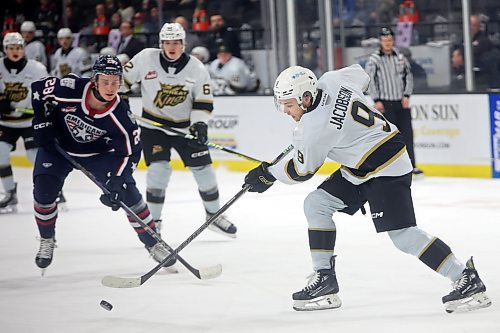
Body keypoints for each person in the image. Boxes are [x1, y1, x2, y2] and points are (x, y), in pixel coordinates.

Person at [242, 64, 492, 313]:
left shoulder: (315, 130)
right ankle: (325, 279)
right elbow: (361, 75)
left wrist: (267, 174)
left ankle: (465, 277)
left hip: (387, 166)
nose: (285, 110)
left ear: (306, 97)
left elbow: (300, 171)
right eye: (282, 104)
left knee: (403, 236)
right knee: (316, 204)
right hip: (361, 167)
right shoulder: (331, 80)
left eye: (289, 104)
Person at [30, 55, 177, 273]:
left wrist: (118, 180)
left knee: (128, 193)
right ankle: (47, 239)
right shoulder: (70, 88)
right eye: (105, 81)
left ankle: (154, 243)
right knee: (43, 191)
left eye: (115, 81)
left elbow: (130, 153)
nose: (110, 87)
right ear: (95, 80)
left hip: (98, 155)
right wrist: (41, 119)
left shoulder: (122, 116)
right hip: (58, 149)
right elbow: (37, 88)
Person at [122, 23, 237, 238]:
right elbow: (122, 82)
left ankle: (214, 216)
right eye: (167, 42)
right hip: (153, 126)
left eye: (176, 42)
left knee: (205, 173)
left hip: (185, 128)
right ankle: (152, 224)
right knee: (159, 172)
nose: (171, 47)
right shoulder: (146, 58)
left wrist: (199, 125)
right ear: (161, 44)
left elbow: (203, 102)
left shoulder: (197, 68)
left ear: (183, 44)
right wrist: (122, 103)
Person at [0, 32, 48, 213]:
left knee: (34, 157)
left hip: (30, 121)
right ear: (5, 49)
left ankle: (49, 190)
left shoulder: (36, 68)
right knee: (0, 153)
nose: (15, 51)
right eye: (11, 48)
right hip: (6, 123)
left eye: (18, 47)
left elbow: (45, 92)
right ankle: (10, 193)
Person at [365, 27, 422, 176]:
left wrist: (407, 95)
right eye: (385, 40)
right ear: (380, 42)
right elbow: (370, 80)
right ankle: (390, 167)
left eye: (390, 40)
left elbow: (408, 76)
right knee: (389, 137)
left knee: (407, 135)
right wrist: (376, 99)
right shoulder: (374, 59)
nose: (388, 43)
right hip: (384, 103)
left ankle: (411, 165)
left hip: (401, 102)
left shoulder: (400, 57)